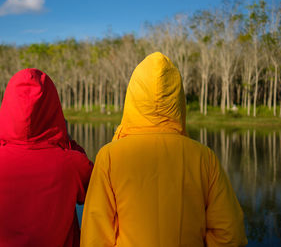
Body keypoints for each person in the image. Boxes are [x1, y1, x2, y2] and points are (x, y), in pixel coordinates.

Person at [80, 52, 247, 246]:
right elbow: (230, 234)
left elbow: (94, 237)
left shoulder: (109, 156)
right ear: (178, 100)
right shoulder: (204, 158)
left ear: (133, 96)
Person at [0, 68, 93, 247]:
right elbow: (87, 194)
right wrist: (66, 140)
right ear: (53, 109)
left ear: (8, 107)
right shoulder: (73, 163)